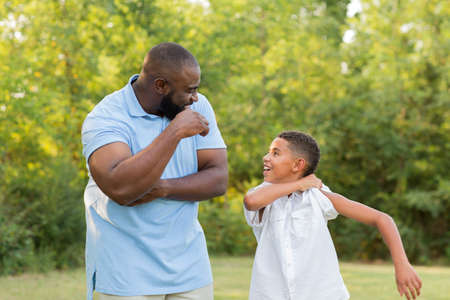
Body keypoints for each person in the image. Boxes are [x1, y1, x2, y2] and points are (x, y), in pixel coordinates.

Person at [81, 42, 228, 300]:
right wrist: (175, 132)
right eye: (189, 91)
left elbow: (218, 179)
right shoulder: (106, 117)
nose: (195, 98)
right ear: (160, 86)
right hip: (124, 272)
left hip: (189, 269)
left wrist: (164, 188)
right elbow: (121, 188)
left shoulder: (196, 106)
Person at [243, 131, 422, 300]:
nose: (265, 158)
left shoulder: (318, 197)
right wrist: (301, 183)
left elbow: (382, 219)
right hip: (271, 294)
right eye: (268, 152)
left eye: (275, 153)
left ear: (298, 165)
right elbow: (251, 201)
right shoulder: (262, 196)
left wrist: (402, 264)